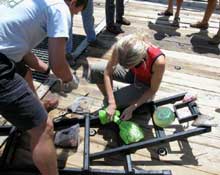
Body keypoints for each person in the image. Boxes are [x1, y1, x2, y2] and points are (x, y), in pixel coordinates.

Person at [0, 0, 87, 175]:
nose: (75, 15)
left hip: (5, 53)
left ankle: (36, 107)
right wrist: (70, 79)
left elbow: (24, 52)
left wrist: (47, 71)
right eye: (77, 11)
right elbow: (58, 63)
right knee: (44, 128)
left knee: (25, 74)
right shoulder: (61, 9)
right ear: (73, 2)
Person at [89, 34, 166, 120]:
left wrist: (132, 107)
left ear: (141, 59)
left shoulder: (158, 61)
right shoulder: (122, 47)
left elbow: (153, 89)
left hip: (145, 84)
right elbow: (107, 72)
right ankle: (114, 101)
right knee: (96, 69)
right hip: (132, 73)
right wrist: (111, 102)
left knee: (107, 102)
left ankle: (125, 101)